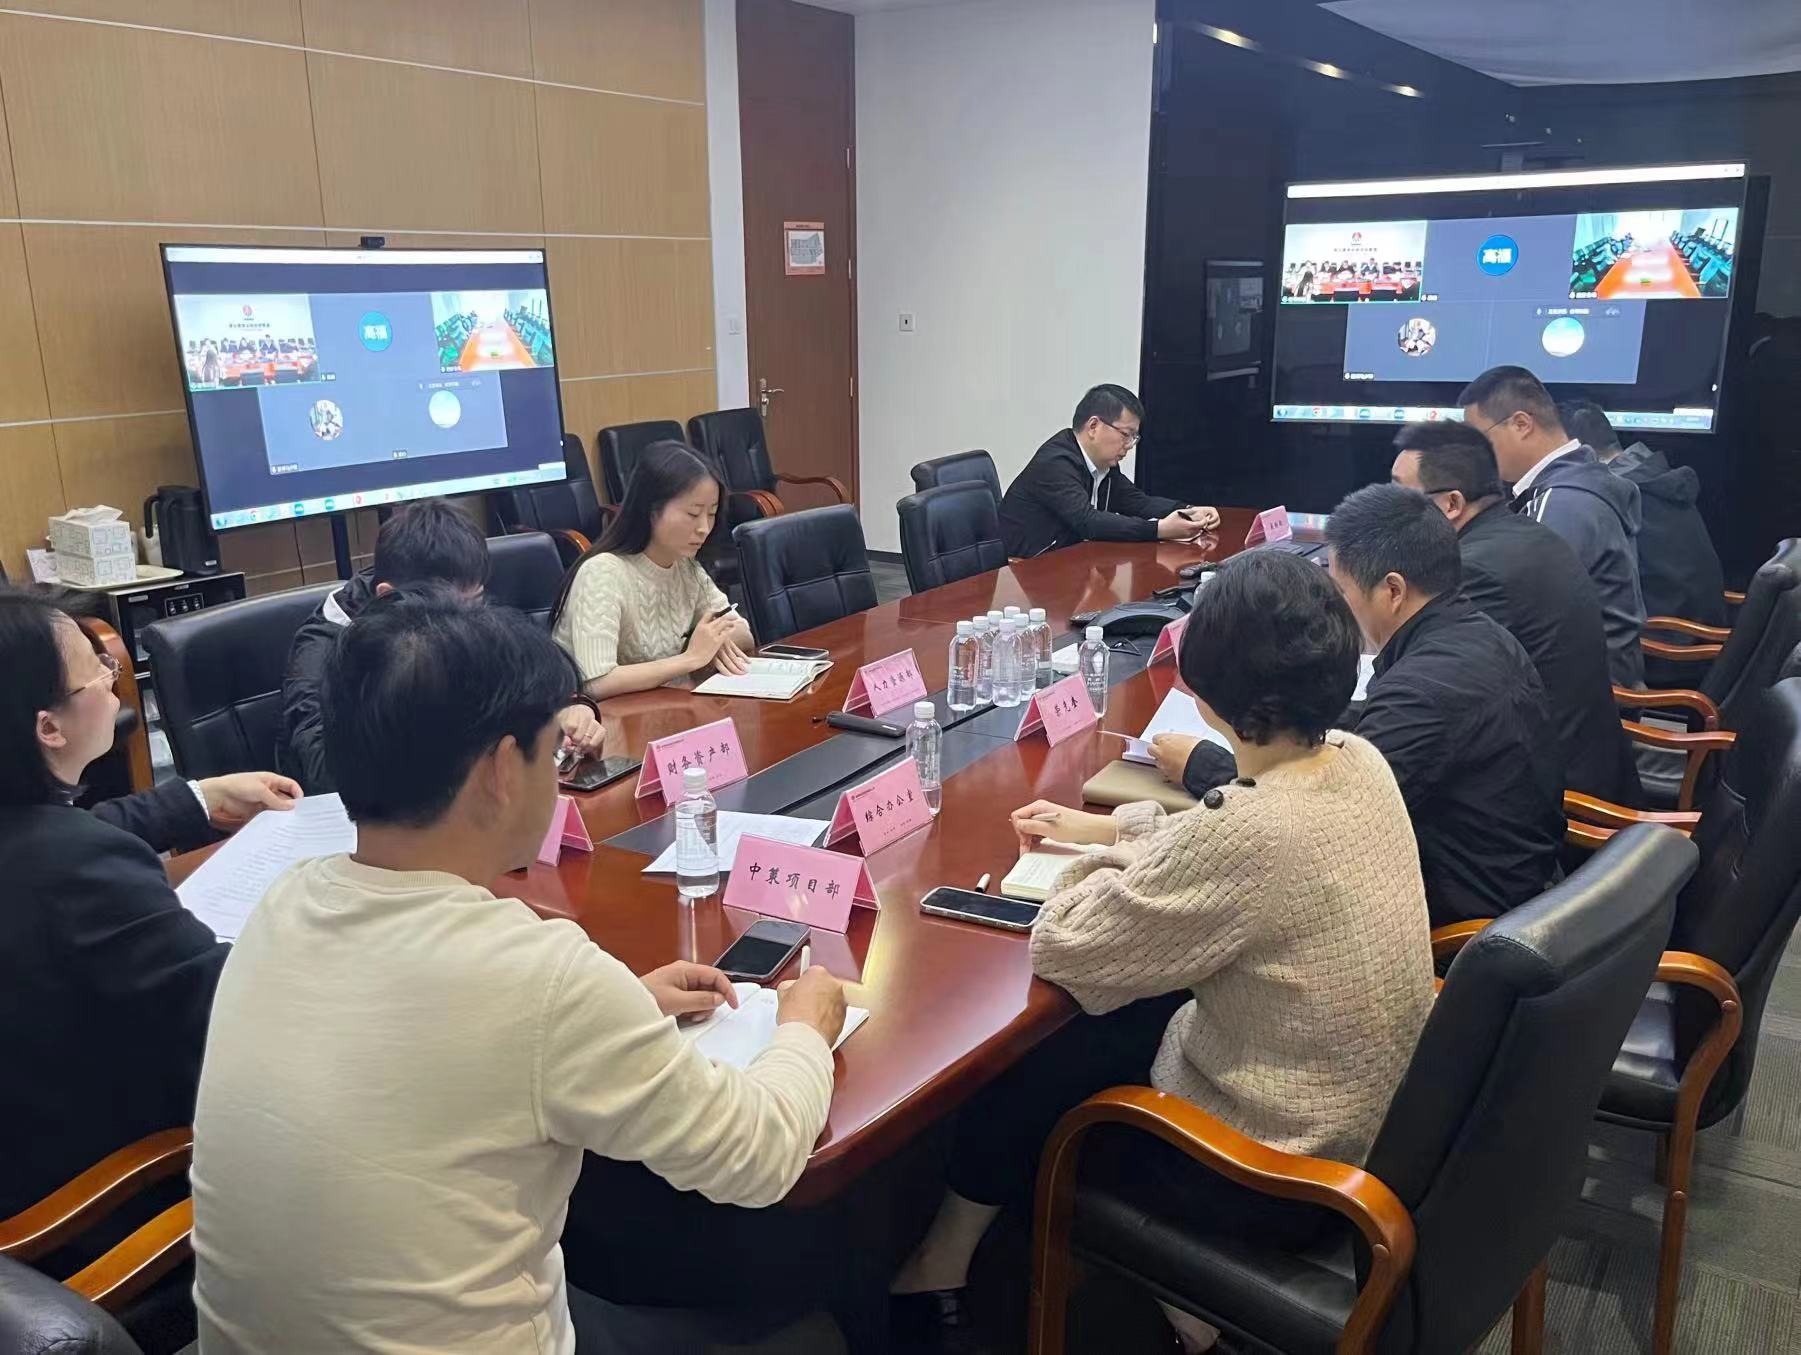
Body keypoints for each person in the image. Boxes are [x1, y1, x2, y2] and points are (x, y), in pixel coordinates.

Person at [192, 590, 848, 1354]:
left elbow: (416, 1038)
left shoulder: (283, 901)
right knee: (817, 1327)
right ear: (503, 768)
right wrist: (805, 1028)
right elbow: (760, 1155)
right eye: (554, 749)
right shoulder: (540, 974)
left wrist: (623, 1008)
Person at [889, 551, 1434, 1351]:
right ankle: (949, 1255)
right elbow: (1226, 831)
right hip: (1372, 1130)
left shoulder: (1251, 834)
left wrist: (1084, 861)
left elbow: (1068, 943)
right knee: (1112, 1018)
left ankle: (1157, 1304)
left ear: (1205, 690)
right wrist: (1116, 828)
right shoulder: (1357, 760)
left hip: (1265, 1171)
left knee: (1049, 1052)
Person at [0, 588, 300, 1224]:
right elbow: (236, 1012)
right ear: (48, 728)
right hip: (97, 1207)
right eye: (99, 672)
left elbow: (66, 832)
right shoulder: (79, 869)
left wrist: (198, 797)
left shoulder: (44, 841)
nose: (115, 682)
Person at [1157, 485, 1565, 925]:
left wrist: (1204, 767)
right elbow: (1374, 725)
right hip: (1511, 880)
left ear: (1392, 590)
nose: (1335, 607)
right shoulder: (1473, 634)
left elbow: (1321, 828)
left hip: (1454, 917)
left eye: (1340, 590)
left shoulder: (1423, 692)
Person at [1390, 420, 1640, 805]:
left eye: (1399, 494)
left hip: (1557, 797)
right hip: (1589, 761)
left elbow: (1428, 704)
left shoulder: (1476, 570)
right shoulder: (1525, 534)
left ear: (1451, 504)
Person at [277, 499, 602, 793]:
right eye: (450, 609)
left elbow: (531, 675)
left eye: (474, 601)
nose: (467, 621)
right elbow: (321, 770)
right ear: (388, 596)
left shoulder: (460, 604)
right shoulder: (323, 646)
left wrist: (571, 708)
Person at [1459, 365, 1647, 688]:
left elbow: (1515, 613)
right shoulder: (1581, 483)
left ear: (1521, 424)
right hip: (1599, 677)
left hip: (1579, 693)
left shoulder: (1561, 504)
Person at [550, 441, 755, 698]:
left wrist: (715, 640)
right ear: (651, 510)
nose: (704, 527)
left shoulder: (685, 566)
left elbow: (744, 633)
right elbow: (596, 682)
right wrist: (690, 658)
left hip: (669, 706)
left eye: (711, 514)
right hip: (612, 716)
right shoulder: (602, 573)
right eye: (693, 514)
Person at [1559, 399, 1727, 628]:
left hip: (1664, 639)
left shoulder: (1614, 496)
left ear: (1573, 449)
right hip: (1700, 624)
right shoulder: (1653, 475)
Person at [998, 384, 1220, 557]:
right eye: (1126, 435)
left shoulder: (1104, 464)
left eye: (1134, 437)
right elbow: (1088, 522)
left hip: (1073, 565)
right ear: (1093, 426)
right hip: (1028, 571)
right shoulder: (1055, 463)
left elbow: (1137, 502)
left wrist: (1188, 511)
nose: (1130, 445)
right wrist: (1159, 529)